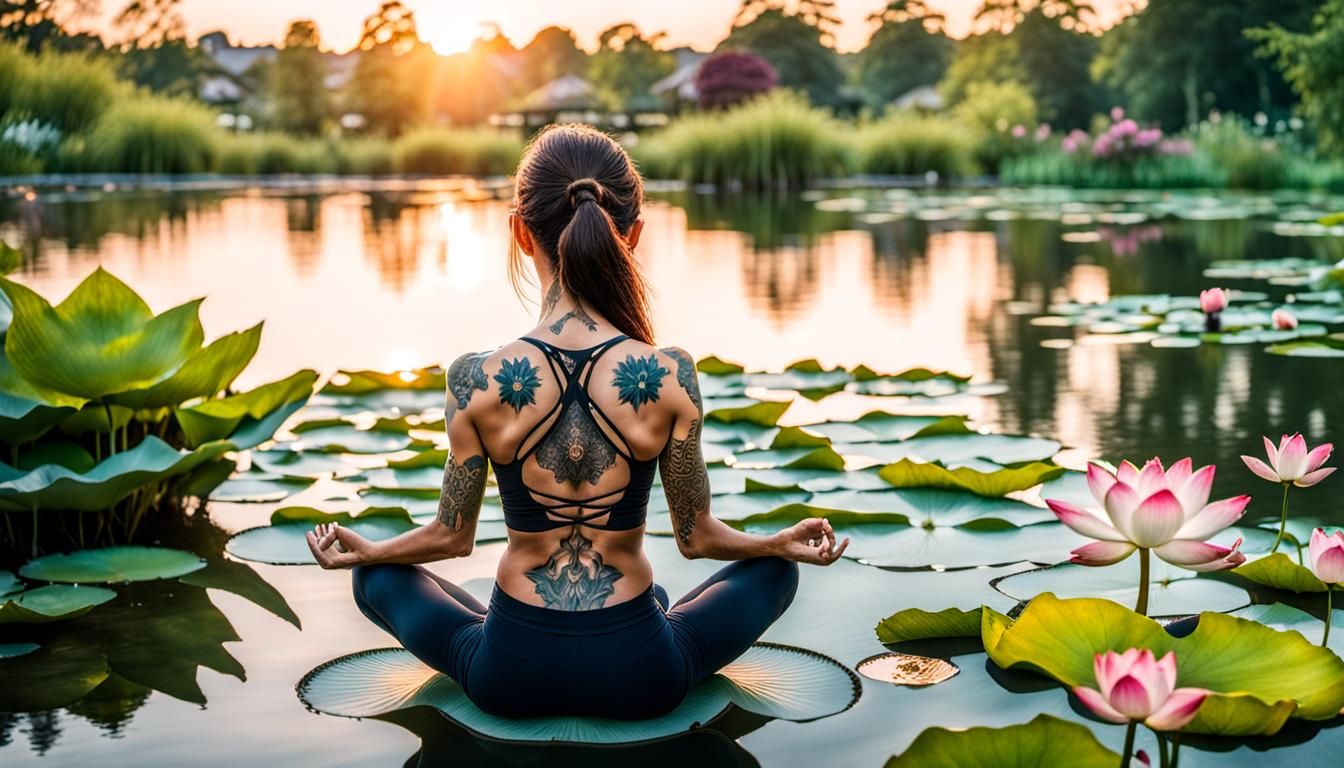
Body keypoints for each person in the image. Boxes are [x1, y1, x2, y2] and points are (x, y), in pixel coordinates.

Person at [305, 123, 849, 720]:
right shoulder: (669, 373)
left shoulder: (475, 378)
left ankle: (477, 624)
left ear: (520, 232)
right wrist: (777, 543)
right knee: (773, 573)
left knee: (376, 580)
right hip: (642, 675)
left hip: (509, 673)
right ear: (632, 236)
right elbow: (696, 539)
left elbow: (452, 538)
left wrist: (370, 553)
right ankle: (666, 618)